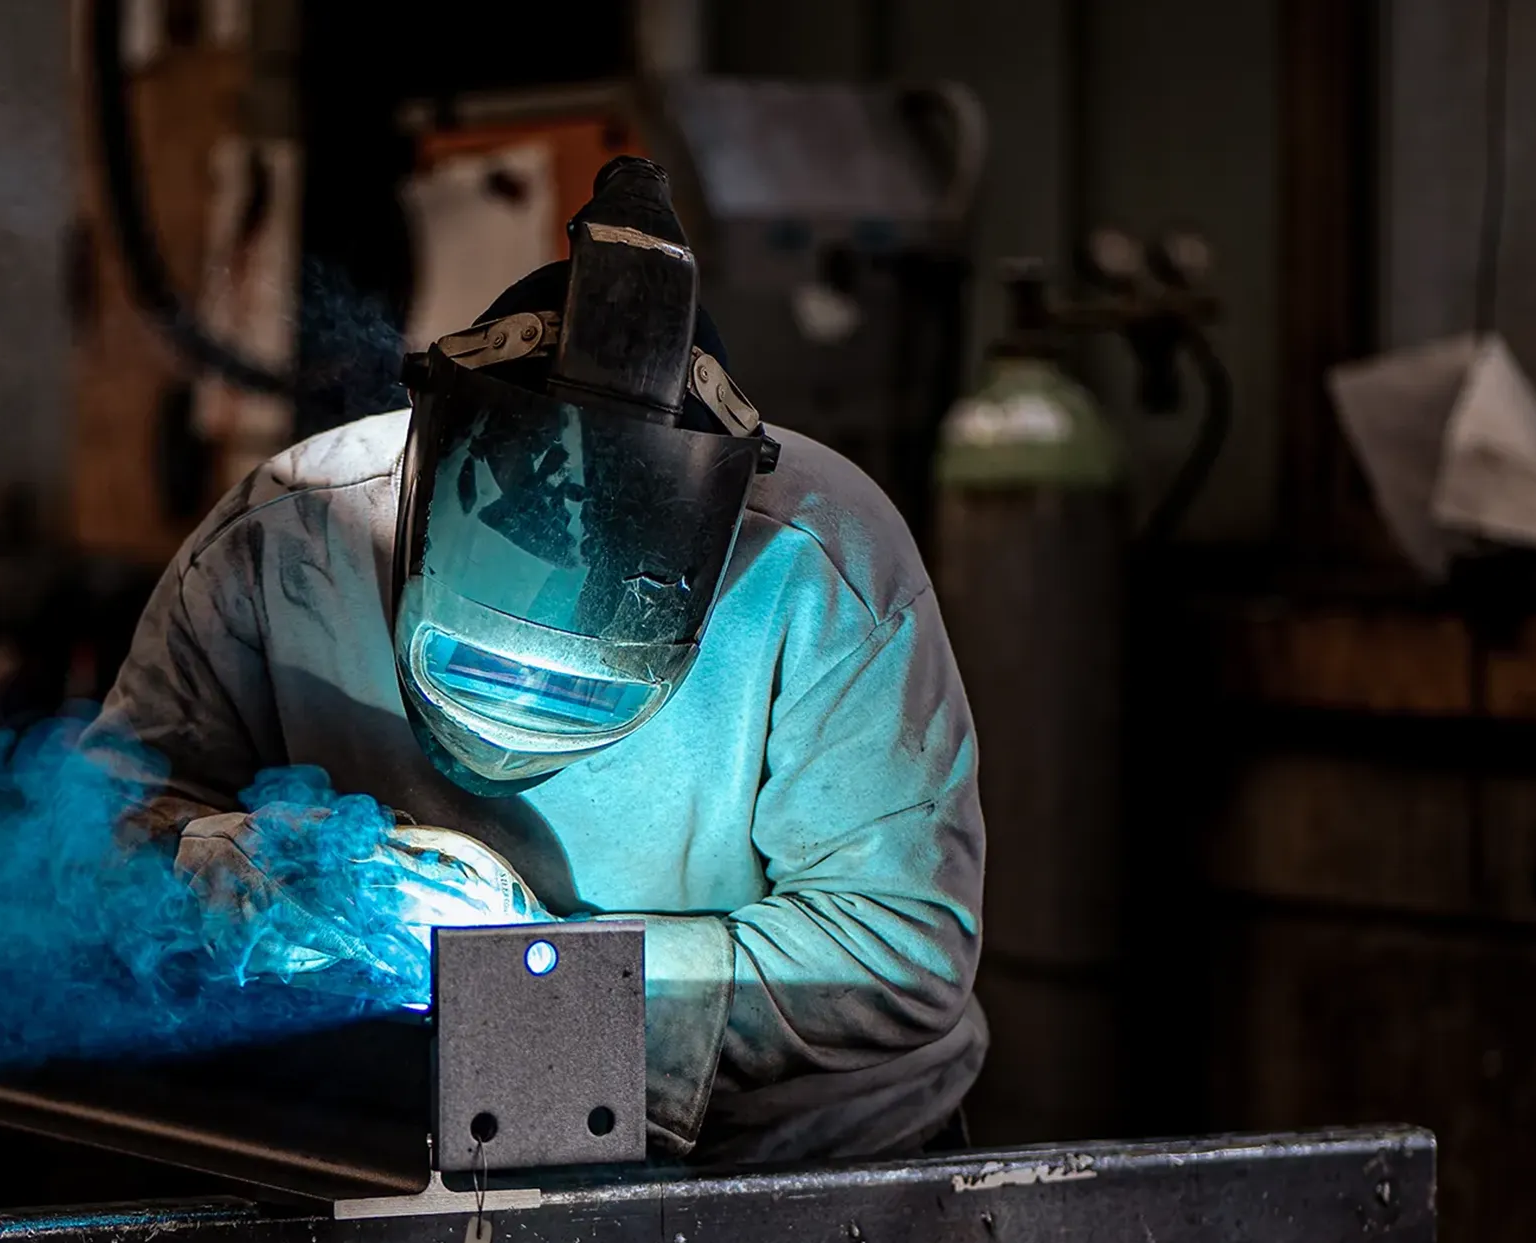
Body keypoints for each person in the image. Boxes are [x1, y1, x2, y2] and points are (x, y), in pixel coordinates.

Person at [81, 157, 984, 1162]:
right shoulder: (288, 538)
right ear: (419, 502)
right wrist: (219, 867)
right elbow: (98, 830)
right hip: (394, 1122)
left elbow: (898, 949)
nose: (518, 713)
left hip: (783, 1157)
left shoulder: (822, 564)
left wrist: (545, 966)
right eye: (480, 665)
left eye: (577, 688)